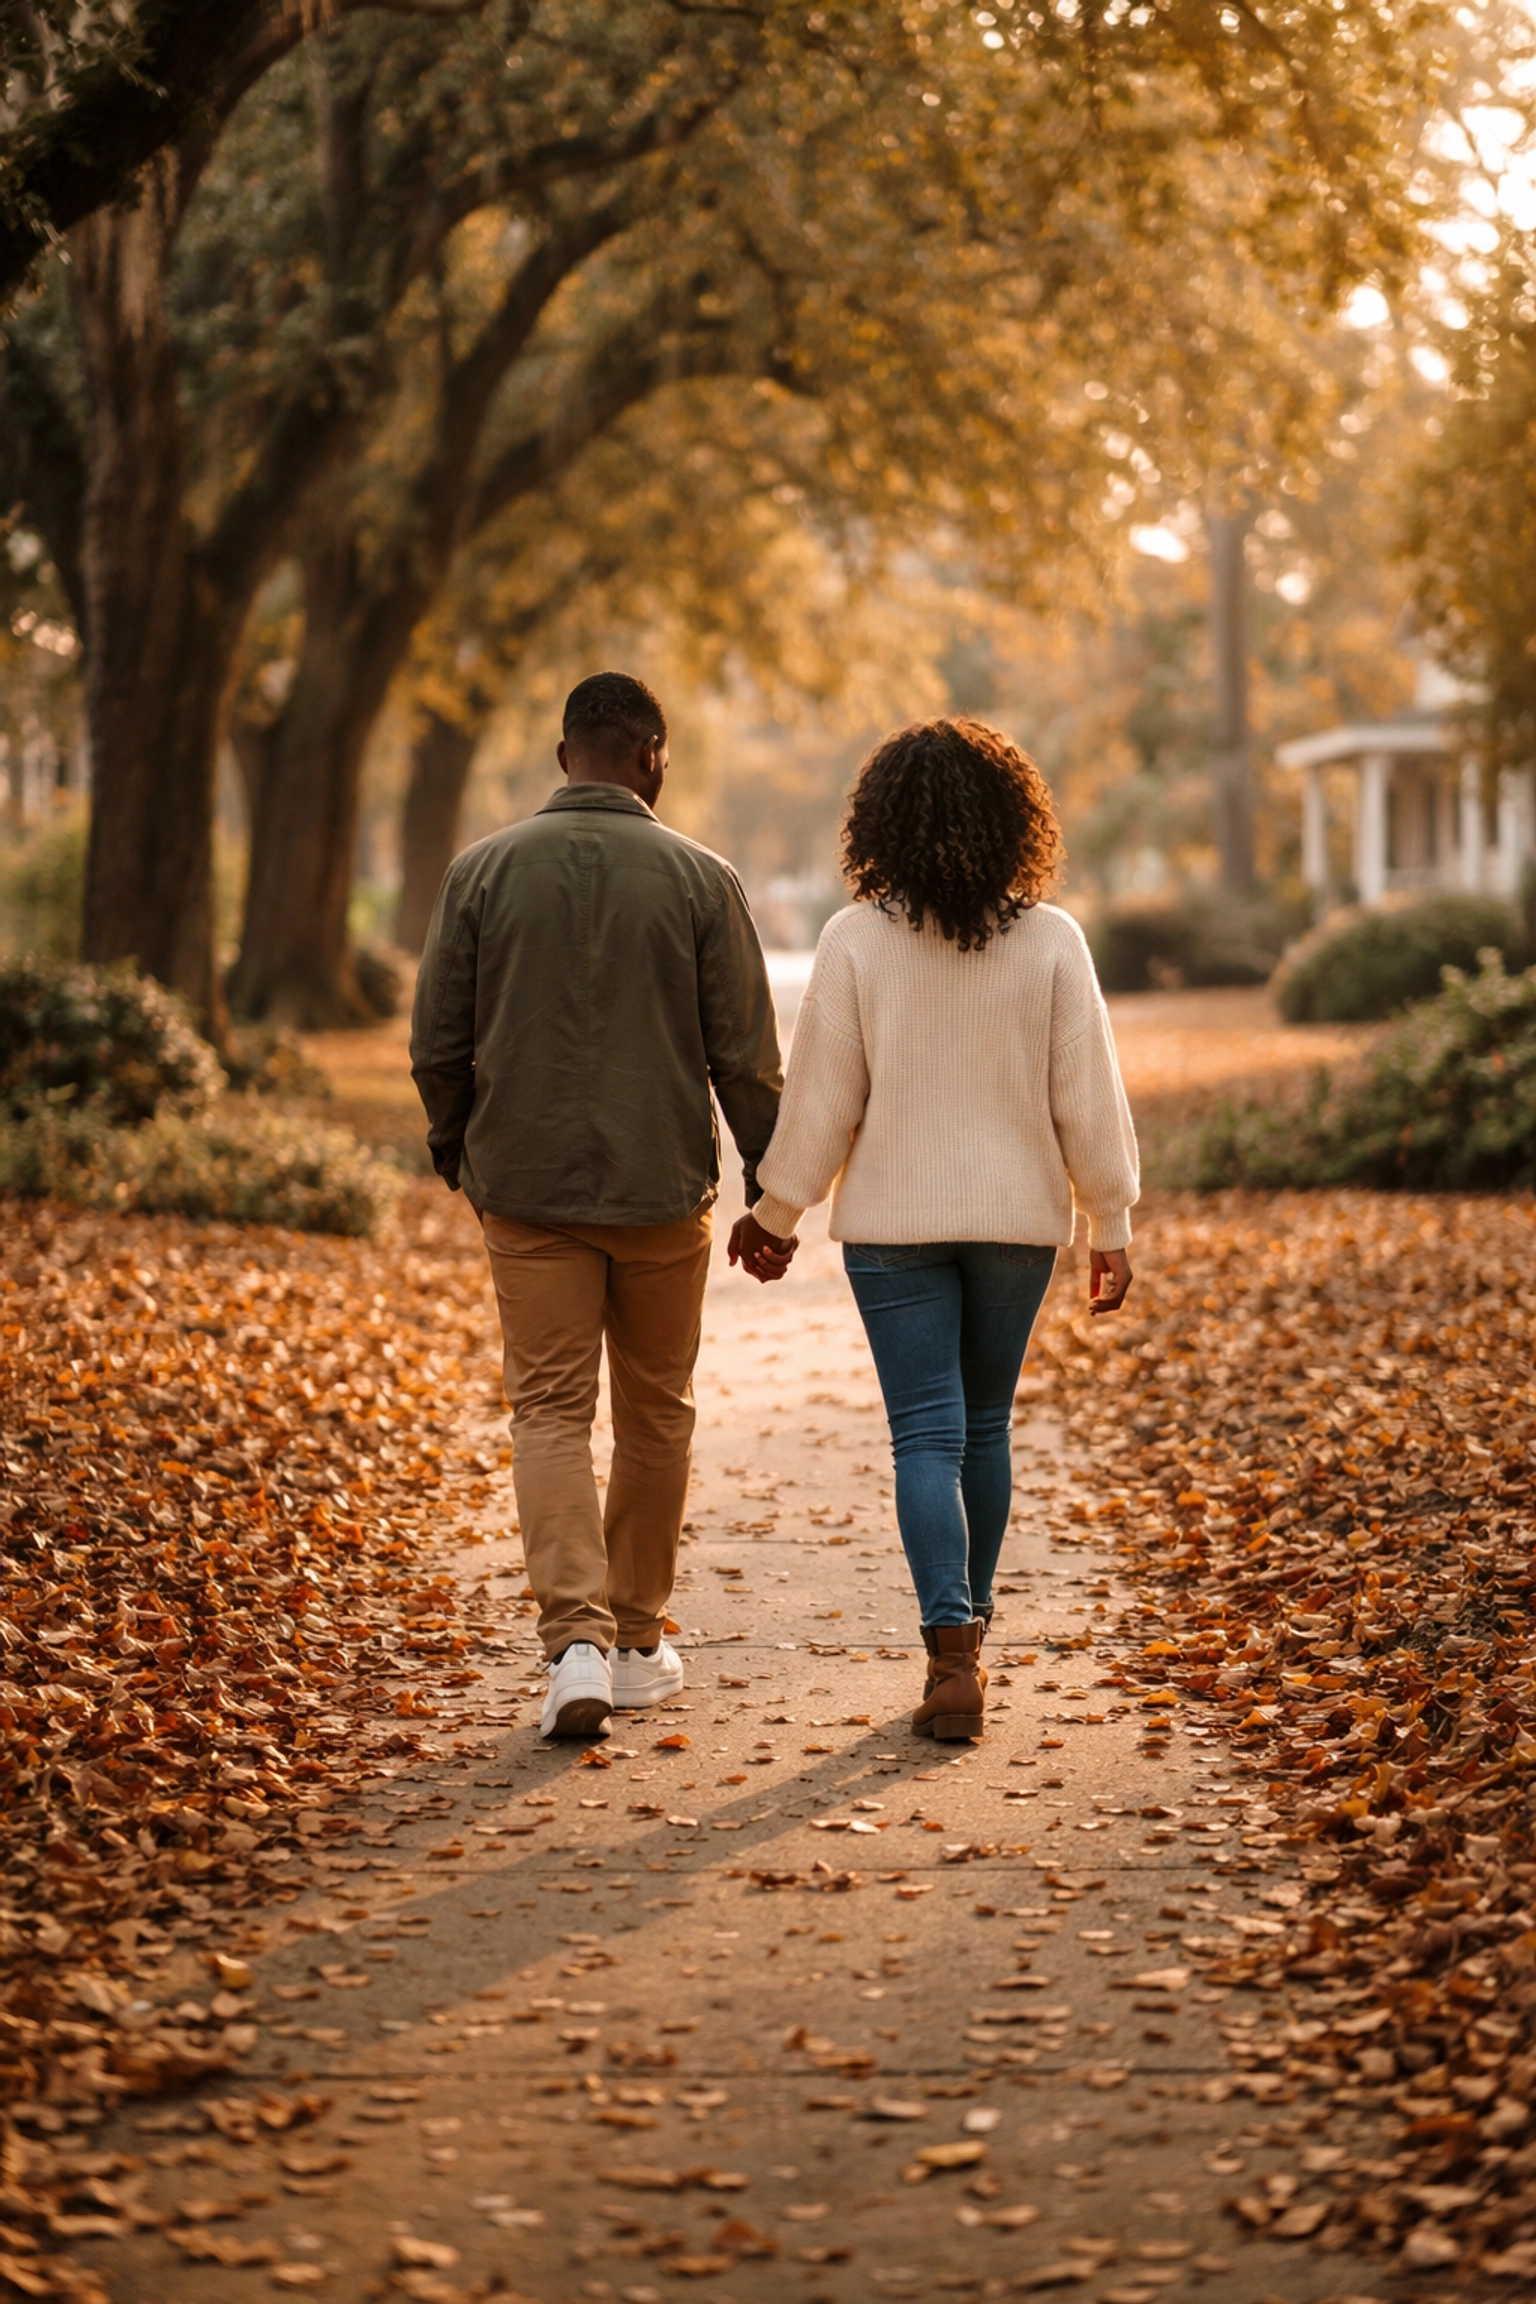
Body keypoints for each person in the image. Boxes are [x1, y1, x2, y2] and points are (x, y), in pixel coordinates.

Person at [733, 717, 1138, 1743]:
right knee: (984, 1428)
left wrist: (776, 1214)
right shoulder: (1052, 941)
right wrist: (1111, 1221)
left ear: (885, 822)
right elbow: (1086, 1098)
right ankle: (974, 1640)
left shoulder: (856, 939)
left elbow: (822, 1100)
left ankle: (948, 1651)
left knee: (926, 1431)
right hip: (1015, 1227)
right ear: (1013, 820)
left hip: (896, 1229)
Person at [411, 672, 793, 1740]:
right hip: (660, 1190)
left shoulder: (479, 873)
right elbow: (747, 1058)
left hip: (527, 1190)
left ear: (563, 751)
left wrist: (461, 1151)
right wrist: (772, 1186)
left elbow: (437, 1042)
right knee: (657, 1408)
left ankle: (571, 1643)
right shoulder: (700, 877)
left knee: (548, 1410)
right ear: (650, 756)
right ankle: (634, 1637)